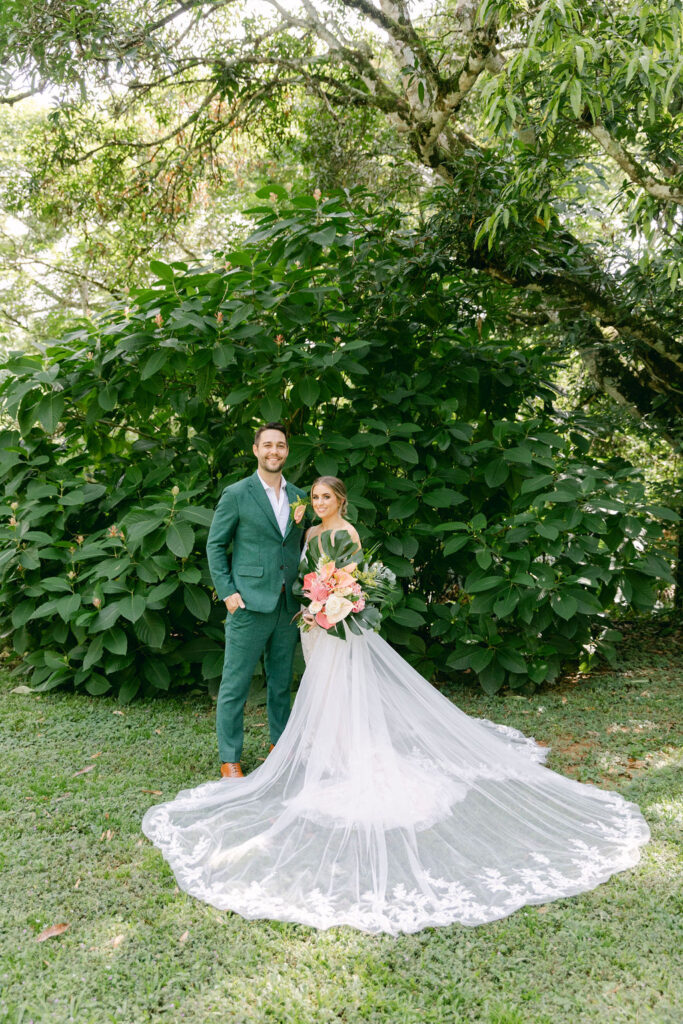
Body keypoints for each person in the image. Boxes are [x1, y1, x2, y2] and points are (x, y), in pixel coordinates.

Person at [143, 476, 649, 935]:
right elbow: (262, 556)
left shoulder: (345, 531)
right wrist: (299, 598)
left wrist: (335, 599)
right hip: (302, 616)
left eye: (326, 497)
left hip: (332, 619)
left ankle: (334, 756)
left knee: (314, 687)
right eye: (314, 497)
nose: (317, 502)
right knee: (286, 684)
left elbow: (350, 576)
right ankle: (263, 753)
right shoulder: (297, 522)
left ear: (340, 499)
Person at [205, 422, 307, 779]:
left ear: (287, 451)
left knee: (281, 682)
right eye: (267, 445)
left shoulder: (299, 495)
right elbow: (215, 545)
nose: (274, 451)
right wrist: (229, 593)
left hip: (287, 604)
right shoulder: (237, 493)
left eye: (280, 445)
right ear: (255, 450)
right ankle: (230, 758)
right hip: (247, 603)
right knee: (235, 684)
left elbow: (292, 546)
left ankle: (279, 747)